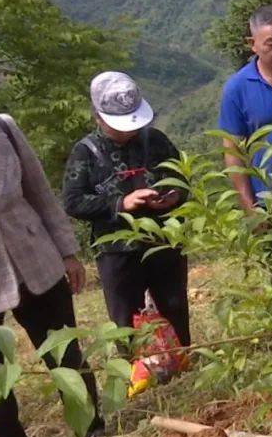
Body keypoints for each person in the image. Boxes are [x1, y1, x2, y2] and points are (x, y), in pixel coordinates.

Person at [0, 114, 104, 437]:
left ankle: (90, 427)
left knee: (63, 347)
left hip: (34, 253)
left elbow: (40, 191)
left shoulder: (3, 128)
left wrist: (68, 251)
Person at [63, 72, 192, 347]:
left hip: (164, 241)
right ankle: (133, 368)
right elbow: (73, 201)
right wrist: (121, 204)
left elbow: (182, 177)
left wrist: (174, 196)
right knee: (125, 317)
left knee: (175, 305)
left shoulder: (156, 140)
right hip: (117, 251)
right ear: (99, 118)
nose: (128, 131)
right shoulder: (85, 152)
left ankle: (182, 358)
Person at [218, 5, 272, 210]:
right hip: (270, 203)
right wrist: (248, 207)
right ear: (253, 44)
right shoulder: (237, 88)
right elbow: (232, 153)